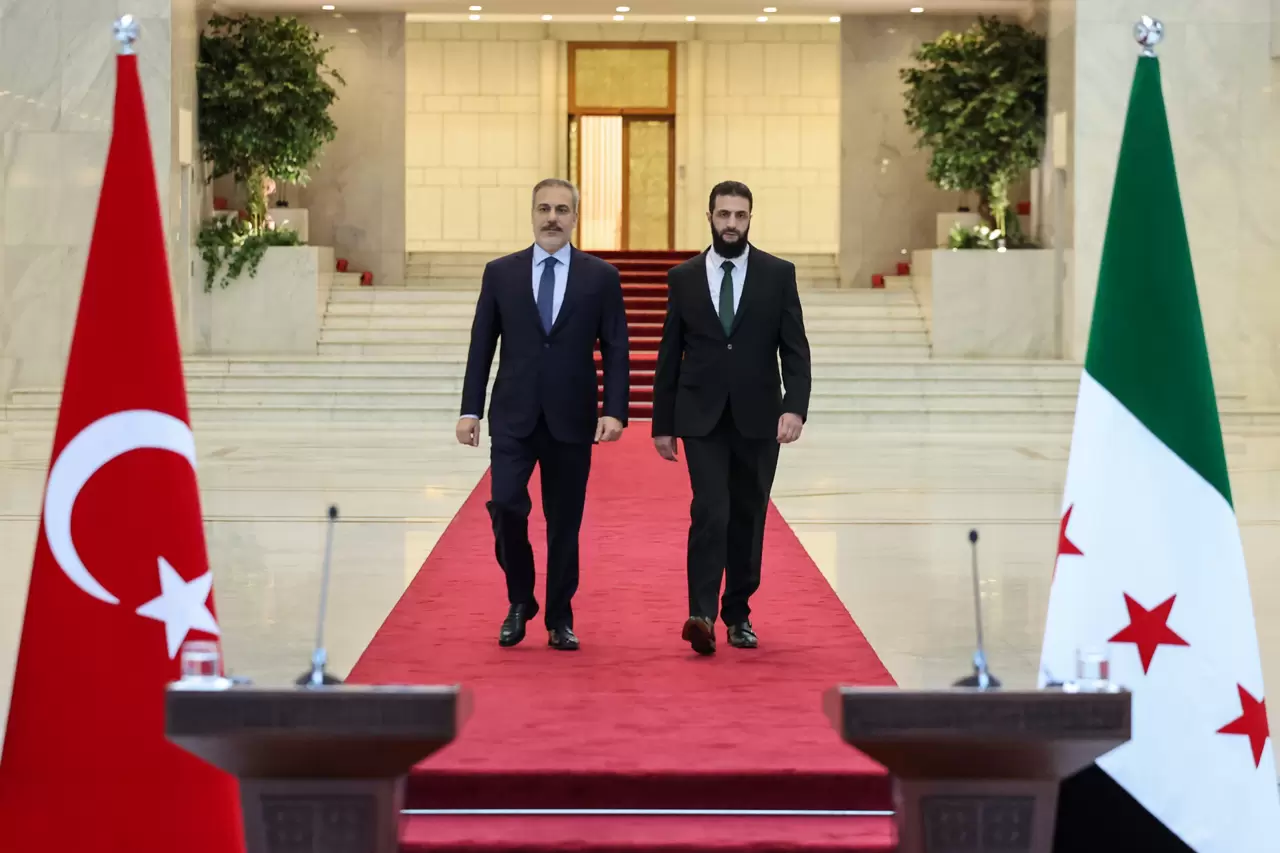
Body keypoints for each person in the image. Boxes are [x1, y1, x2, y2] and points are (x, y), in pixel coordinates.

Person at [457, 178, 629, 651]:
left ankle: (560, 617)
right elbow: (481, 345)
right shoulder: (500, 273)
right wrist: (470, 410)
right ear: (532, 214)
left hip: (572, 418)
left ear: (575, 217)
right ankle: (520, 599)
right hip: (513, 416)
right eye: (544, 209)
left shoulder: (601, 277)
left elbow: (616, 347)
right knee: (506, 506)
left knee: (564, 523)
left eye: (561, 210)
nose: (552, 218)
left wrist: (615, 410)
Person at [651, 180, 812, 656]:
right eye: (724, 215)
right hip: (700, 416)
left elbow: (795, 348)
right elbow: (669, 353)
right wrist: (662, 423)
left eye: (740, 216)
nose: (731, 224)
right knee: (710, 509)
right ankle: (700, 615)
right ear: (709, 217)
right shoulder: (683, 277)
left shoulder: (777, 274)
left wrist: (794, 406)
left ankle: (738, 614)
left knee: (748, 514)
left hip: (759, 415)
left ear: (750, 219)